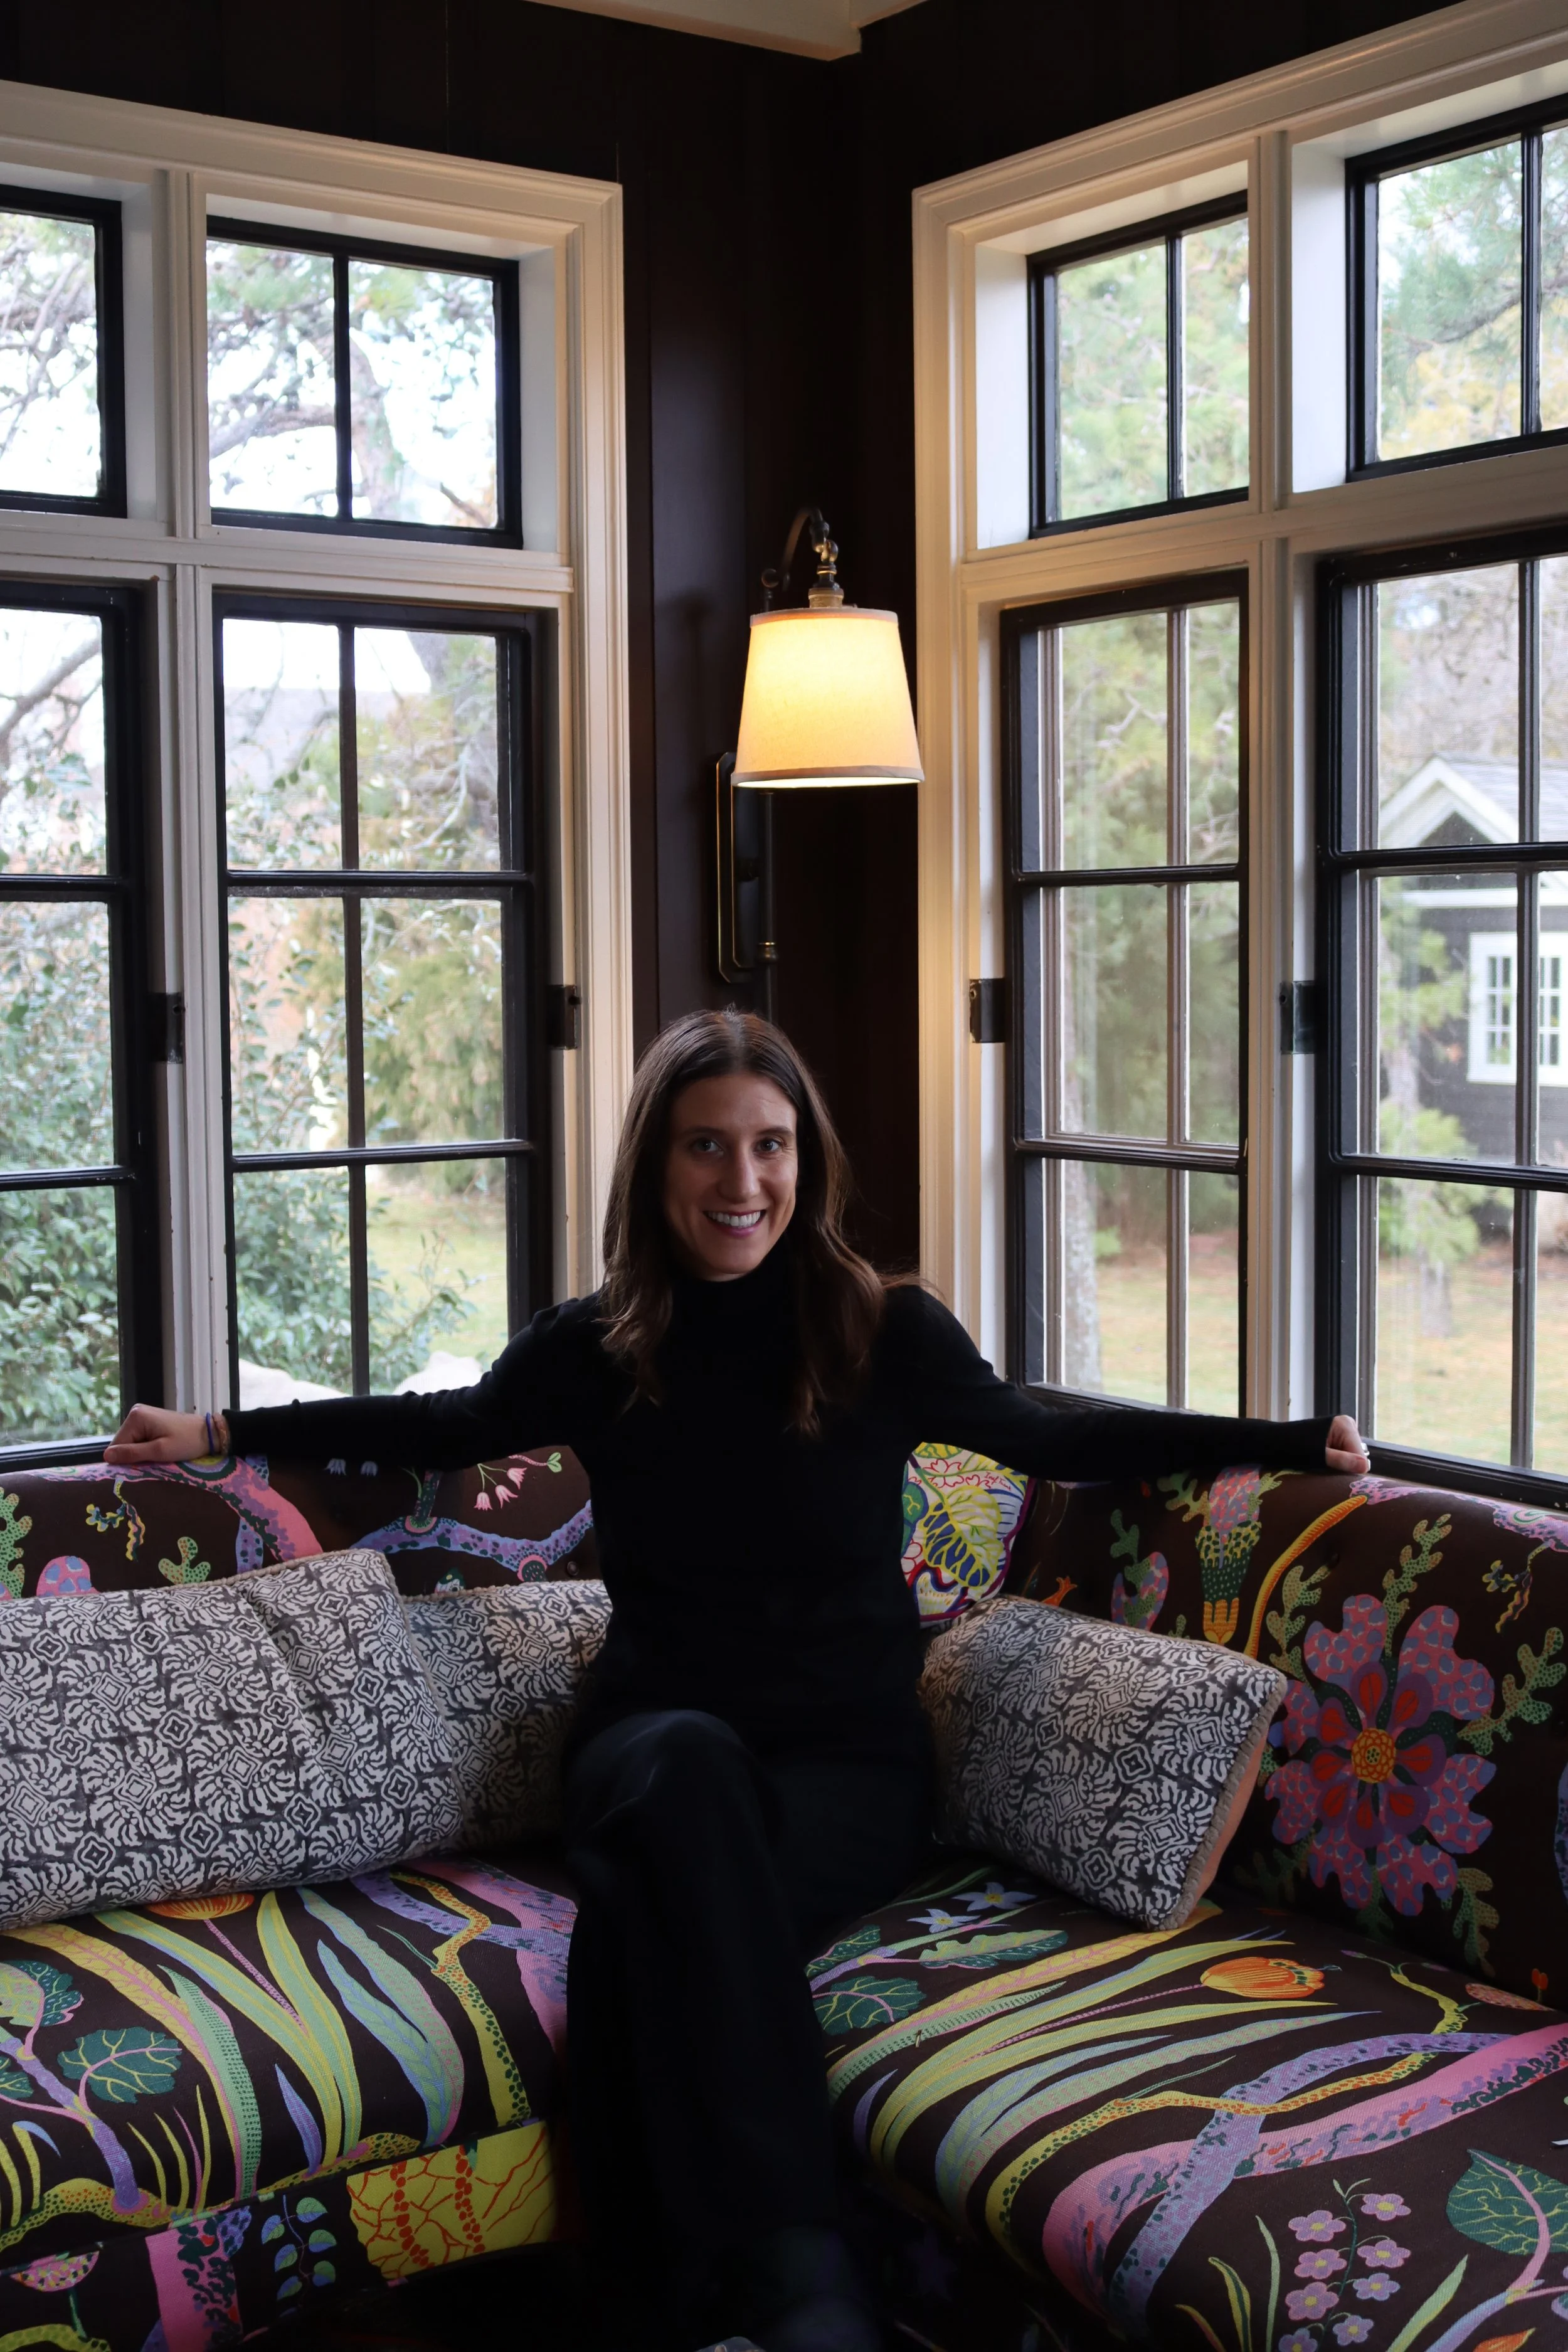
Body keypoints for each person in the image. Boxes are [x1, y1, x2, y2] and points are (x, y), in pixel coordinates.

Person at [109, 1009, 1369, 2352]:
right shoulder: (597, 1347)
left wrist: (1282, 1437)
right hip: (647, 1750)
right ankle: (799, 2281)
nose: (741, 1182)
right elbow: (442, 1431)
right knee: (687, 1783)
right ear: (656, 1166)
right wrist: (222, 1431)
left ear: (805, 1160)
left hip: (848, 1775)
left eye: (768, 1147)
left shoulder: (881, 1331)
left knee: (653, 1930)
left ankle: (650, 2302)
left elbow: (1053, 1435)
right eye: (706, 1147)